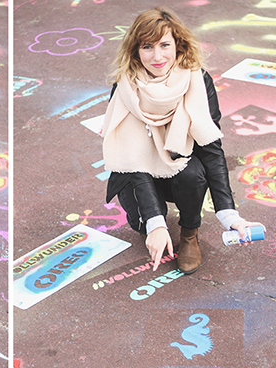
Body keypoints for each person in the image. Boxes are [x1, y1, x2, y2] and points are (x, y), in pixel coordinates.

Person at [102, 7, 262, 274]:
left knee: (194, 174)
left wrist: (228, 214)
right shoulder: (125, 88)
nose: (157, 56)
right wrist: (155, 223)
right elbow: (132, 158)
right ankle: (153, 227)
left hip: (178, 163)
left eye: (165, 45)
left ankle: (189, 234)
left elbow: (211, 149)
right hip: (137, 172)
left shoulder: (197, 81)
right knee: (142, 221)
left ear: (178, 44)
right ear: (135, 51)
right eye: (147, 47)